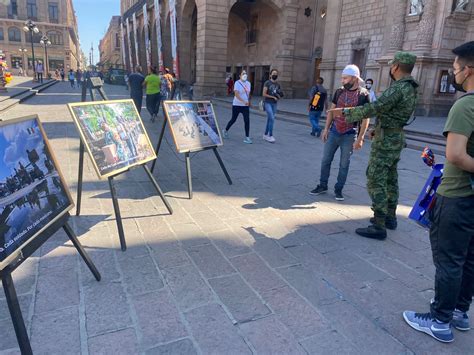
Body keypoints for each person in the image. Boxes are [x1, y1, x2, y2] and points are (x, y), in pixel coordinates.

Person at [402, 42, 474, 344]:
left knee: (449, 261)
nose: (454, 73)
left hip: (456, 196)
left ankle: (439, 320)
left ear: (468, 69)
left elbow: (457, 155)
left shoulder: (465, 105)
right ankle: (459, 312)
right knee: (469, 259)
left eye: (455, 68)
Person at [329, 52, 419, 239]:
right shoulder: (410, 87)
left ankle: (379, 225)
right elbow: (391, 112)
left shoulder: (398, 88)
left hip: (387, 141)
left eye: (391, 65)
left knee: (376, 178)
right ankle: (389, 217)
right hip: (394, 135)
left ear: (395, 67)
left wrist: (345, 113)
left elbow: (375, 108)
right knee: (390, 178)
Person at [310, 65, 370, 201]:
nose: (342, 80)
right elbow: (331, 111)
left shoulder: (363, 94)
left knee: (344, 164)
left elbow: (366, 118)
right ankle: (322, 185)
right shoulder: (339, 92)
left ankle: (338, 189)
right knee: (325, 160)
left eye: (345, 78)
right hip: (334, 132)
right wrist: (326, 129)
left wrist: (360, 138)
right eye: (342, 78)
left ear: (354, 78)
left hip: (349, 134)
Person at [222, 70, 252, 144]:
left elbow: (248, 94)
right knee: (233, 119)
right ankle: (225, 130)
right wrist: (243, 101)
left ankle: (247, 137)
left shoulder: (248, 83)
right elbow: (236, 95)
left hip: (245, 106)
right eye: (243, 74)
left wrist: (248, 101)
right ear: (240, 76)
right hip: (237, 105)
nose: (245, 75)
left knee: (247, 120)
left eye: (245, 73)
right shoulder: (237, 83)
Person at [262, 68, 283, 143]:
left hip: (274, 103)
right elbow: (264, 94)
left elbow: (279, 93)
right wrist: (273, 97)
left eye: (276, 74)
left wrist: (278, 96)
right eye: (273, 74)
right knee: (272, 118)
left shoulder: (278, 84)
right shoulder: (267, 83)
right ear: (270, 75)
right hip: (267, 102)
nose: (275, 75)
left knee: (270, 119)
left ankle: (265, 134)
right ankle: (270, 135)